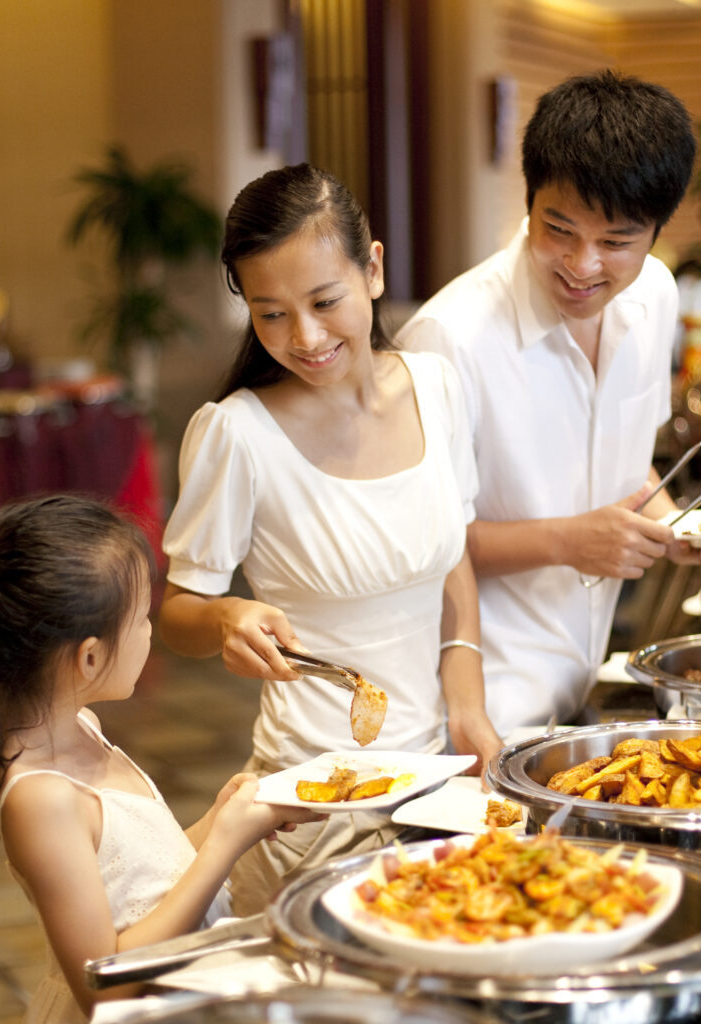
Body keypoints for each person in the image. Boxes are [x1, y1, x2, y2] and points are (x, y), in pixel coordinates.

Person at [157, 163, 502, 914]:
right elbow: (178, 614)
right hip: (307, 806)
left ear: (372, 269)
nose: (304, 337)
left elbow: (453, 560)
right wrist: (225, 618)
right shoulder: (237, 434)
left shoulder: (437, 389)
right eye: (270, 313)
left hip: (432, 790)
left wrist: (467, 704)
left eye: (323, 301)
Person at [398, 69, 701, 736]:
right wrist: (572, 541)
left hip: (581, 679)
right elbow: (424, 546)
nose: (583, 266)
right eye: (559, 230)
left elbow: (618, 456)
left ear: (656, 230)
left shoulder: (655, 295)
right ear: (528, 204)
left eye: (616, 242)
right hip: (473, 709)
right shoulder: (448, 338)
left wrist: (672, 527)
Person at [0, 494, 317, 1024]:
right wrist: (227, 844)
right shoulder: (40, 798)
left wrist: (218, 821)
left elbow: (145, 877)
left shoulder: (84, 727)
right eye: (140, 620)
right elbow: (103, 989)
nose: (150, 633)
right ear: (88, 656)